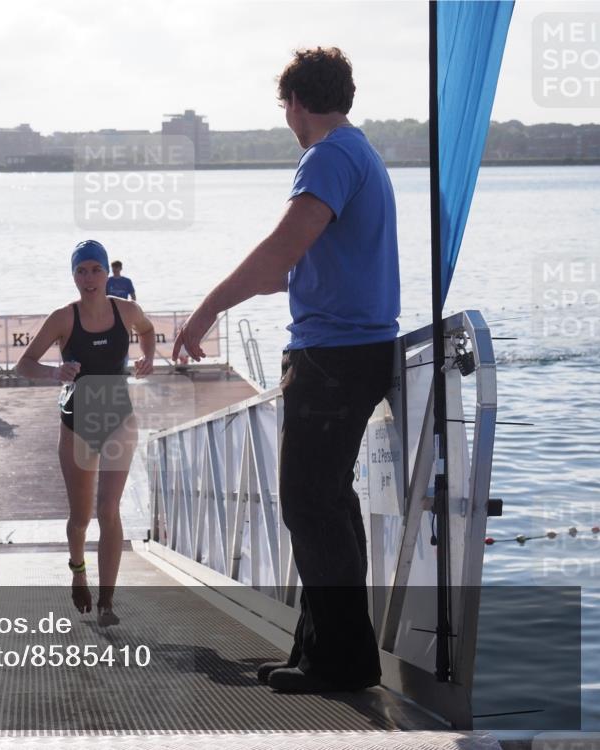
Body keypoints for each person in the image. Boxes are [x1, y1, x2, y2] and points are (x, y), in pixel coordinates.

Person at [173, 47, 399, 694]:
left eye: (285, 108)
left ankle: (343, 662)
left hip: (332, 357)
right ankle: (320, 648)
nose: (287, 120)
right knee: (327, 502)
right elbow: (299, 261)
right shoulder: (362, 153)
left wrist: (206, 311)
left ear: (297, 102)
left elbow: (278, 256)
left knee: (309, 503)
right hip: (355, 350)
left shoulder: (328, 155)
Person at [16, 240, 156, 626]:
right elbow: (23, 364)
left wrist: (149, 356)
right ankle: (78, 571)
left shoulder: (125, 310)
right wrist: (52, 372)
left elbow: (147, 329)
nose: (89, 278)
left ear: (108, 273)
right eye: (82, 270)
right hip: (78, 419)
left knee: (108, 510)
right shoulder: (63, 318)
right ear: (73, 275)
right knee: (81, 517)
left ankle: (108, 602)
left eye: (96, 269)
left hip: (118, 415)